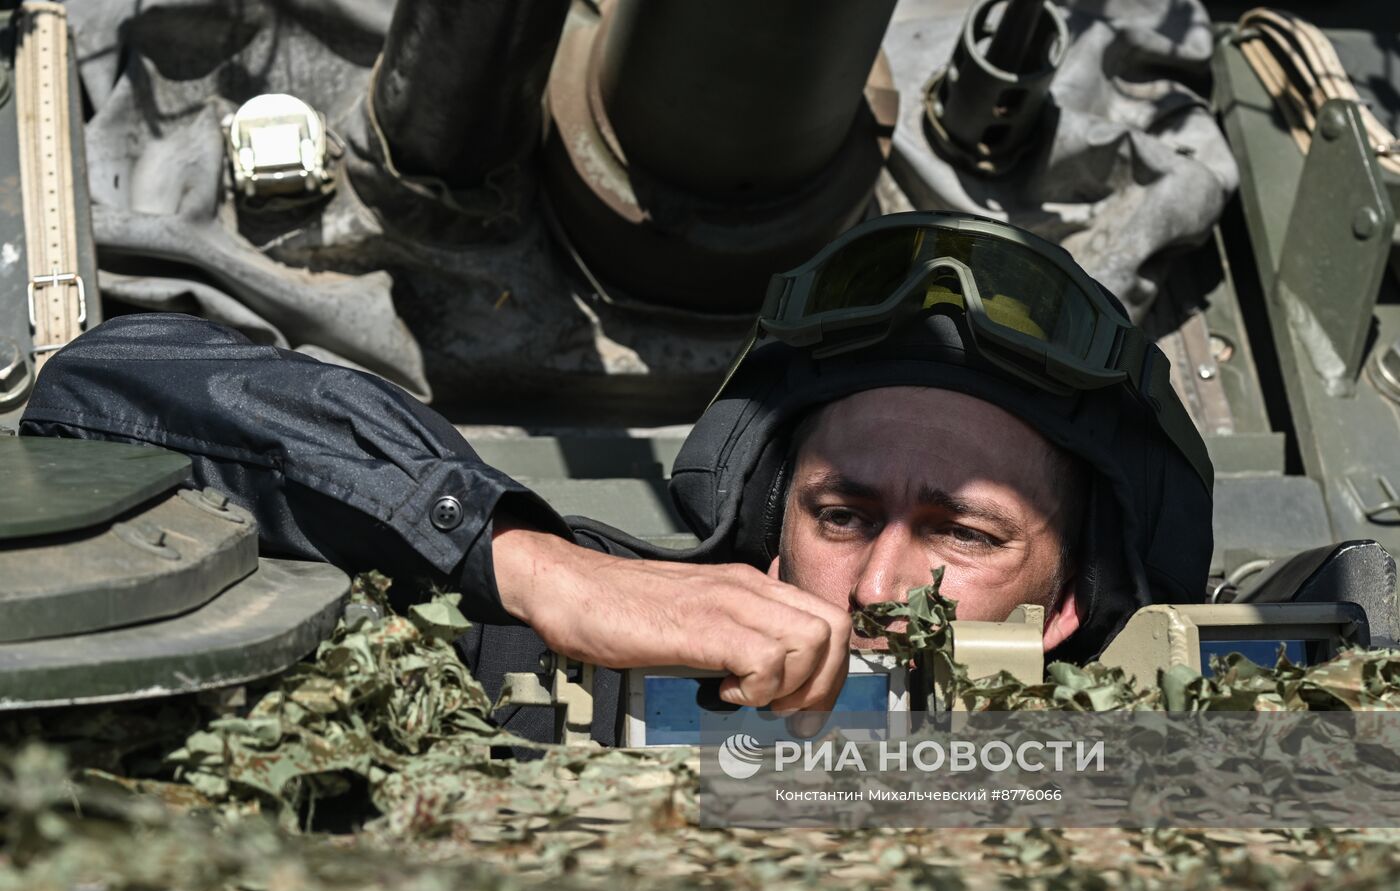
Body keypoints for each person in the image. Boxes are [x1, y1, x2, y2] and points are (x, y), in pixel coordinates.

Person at [18, 212, 1212, 744]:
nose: (879, 584)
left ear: (1064, 607)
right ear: (767, 535)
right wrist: (519, 561)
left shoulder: (1190, 758)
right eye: (839, 514)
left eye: (963, 535)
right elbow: (110, 390)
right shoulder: (590, 666)